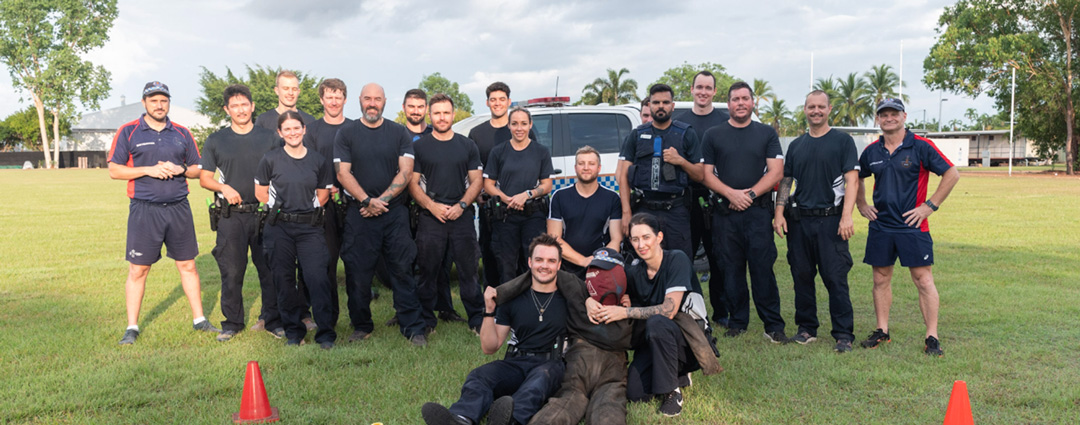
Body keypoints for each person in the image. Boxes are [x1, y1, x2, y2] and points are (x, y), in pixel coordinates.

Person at [108, 81, 221, 345]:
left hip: (179, 208)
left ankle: (200, 320)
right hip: (144, 210)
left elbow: (197, 169)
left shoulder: (181, 132)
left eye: (163, 100)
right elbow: (115, 170)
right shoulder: (128, 131)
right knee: (138, 269)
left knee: (188, 265)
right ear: (144, 102)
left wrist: (180, 169)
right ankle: (132, 327)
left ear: (168, 103)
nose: (159, 105)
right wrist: (147, 170)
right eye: (153, 100)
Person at [421, 234, 569, 425]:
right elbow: (490, 347)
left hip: (551, 365)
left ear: (558, 265)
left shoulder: (569, 298)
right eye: (539, 259)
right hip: (517, 362)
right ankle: (461, 419)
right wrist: (489, 311)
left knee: (538, 380)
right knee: (479, 376)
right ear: (530, 262)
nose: (544, 265)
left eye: (551, 261)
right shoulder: (513, 297)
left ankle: (508, 420)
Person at [856, 98, 959, 357]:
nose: (889, 118)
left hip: (913, 226)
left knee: (923, 280)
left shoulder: (921, 146)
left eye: (894, 114)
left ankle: (932, 336)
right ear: (878, 119)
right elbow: (857, 177)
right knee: (880, 278)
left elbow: (951, 173)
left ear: (903, 116)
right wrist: (861, 204)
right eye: (883, 115)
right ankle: (882, 330)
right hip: (881, 226)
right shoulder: (871, 151)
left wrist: (929, 206)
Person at [590, 213, 721, 418]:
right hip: (657, 342)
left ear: (659, 237)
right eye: (635, 239)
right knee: (635, 392)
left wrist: (625, 311)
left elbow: (669, 310)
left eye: (646, 237)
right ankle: (679, 377)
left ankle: (672, 392)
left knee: (658, 321)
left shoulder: (677, 259)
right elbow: (603, 286)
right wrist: (595, 301)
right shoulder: (634, 271)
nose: (641, 244)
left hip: (689, 342)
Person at [497, 246, 634, 425]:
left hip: (611, 371)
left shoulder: (629, 308)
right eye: (594, 271)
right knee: (567, 401)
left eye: (605, 272)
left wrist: (629, 310)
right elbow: (536, 275)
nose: (598, 278)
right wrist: (500, 292)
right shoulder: (577, 290)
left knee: (608, 407)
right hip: (579, 362)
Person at [334, 83, 428, 346]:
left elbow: (406, 171)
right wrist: (366, 200)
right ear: (360, 101)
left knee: (402, 270)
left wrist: (382, 200)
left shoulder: (399, 133)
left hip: (394, 213)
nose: (372, 103)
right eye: (367, 98)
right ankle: (361, 325)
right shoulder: (347, 133)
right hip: (360, 213)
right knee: (358, 273)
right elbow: (343, 173)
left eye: (377, 98)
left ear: (385, 101)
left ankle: (413, 326)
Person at [701, 81, 788, 343]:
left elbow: (777, 171)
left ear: (752, 103)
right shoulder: (713, 135)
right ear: (728, 104)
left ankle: (773, 324)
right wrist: (731, 194)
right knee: (731, 269)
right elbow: (706, 175)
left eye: (745, 99)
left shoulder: (766, 134)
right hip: (725, 213)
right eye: (735, 99)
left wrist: (748, 195)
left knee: (762, 268)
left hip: (758, 213)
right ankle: (738, 321)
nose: (740, 103)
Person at [772, 90, 858, 353]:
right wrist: (778, 212)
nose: (816, 111)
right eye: (811, 107)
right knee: (802, 276)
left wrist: (846, 217)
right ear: (805, 109)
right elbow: (786, 181)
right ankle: (806, 328)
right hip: (799, 223)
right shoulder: (797, 145)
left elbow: (851, 180)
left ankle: (843, 334)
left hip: (831, 222)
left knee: (835, 278)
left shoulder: (842, 141)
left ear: (829, 109)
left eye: (821, 106)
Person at [198, 83, 281, 341]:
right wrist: (223, 187)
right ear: (227, 109)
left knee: (269, 269)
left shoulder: (270, 138)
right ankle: (232, 323)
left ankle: (273, 320)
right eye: (234, 106)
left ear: (252, 106)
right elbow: (204, 178)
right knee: (232, 271)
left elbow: (281, 169)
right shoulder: (216, 140)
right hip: (231, 216)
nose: (241, 110)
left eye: (245, 104)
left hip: (265, 214)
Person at [254, 111, 337, 348]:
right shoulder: (270, 159)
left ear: (304, 130)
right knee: (284, 280)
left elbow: (323, 195)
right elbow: (260, 192)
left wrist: (304, 208)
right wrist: (279, 208)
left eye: (296, 128)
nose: (292, 133)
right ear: (280, 133)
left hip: (310, 228)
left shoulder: (318, 161)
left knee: (317, 279)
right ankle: (294, 332)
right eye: (287, 129)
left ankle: (326, 334)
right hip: (278, 228)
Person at [409, 94, 486, 334]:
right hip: (431, 218)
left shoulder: (467, 145)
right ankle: (426, 321)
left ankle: (477, 320)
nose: (442, 117)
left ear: (453, 115)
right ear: (430, 115)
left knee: (468, 271)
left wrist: (461, 206)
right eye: (437, 113)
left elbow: (476, 181)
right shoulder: (419, 146)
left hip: (461, 217)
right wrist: (431, 206)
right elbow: (412, 183)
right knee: (428, 272)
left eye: (446, 113)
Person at [673, 71, 732, 328]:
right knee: (684, 258)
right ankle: (688, 308)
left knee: (719, 258)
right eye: (699, 87)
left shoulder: (725, 121)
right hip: (687, 200)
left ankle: (721, 313)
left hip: (718, 200)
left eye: (708, 88)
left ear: (715, 91)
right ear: (692, 89)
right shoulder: (680, 122)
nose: (703, 92)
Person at [616, 83, 703, 258]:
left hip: (676, 210)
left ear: (673, 105)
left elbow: (700, 175)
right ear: (650, 106)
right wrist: (626, 213)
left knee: (680, 261)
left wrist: (680, 161)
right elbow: (623, 176)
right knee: (644, 263)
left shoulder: (686, 133)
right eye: (656, 102)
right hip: (644, 208)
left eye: (665, 102)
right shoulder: (637, 135)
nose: (660, 106)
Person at [468, 82, 537, 288]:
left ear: (508, 101)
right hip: (491, 205)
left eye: (501, 99)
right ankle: (493, 305)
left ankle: (522, 301)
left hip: (522, 208)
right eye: (493, 99)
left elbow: (533, 161)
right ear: (487, 102)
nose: (497, 103)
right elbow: (473, 168)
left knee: (521, 259)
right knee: (490, 254)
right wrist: (479, 192)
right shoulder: (477, 133)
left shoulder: (520, 129)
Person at [483, 107, 555, 283]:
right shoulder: (498, 151)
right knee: (506, 266)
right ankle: (508, 307)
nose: (519, 128)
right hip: (506, 217)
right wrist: (507, 199)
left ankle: (533, 304)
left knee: (534, 262)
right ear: (508, 126)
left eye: (524, 123)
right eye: (514, 123)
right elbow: (488, 184)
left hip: (533, 216)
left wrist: (527, 195)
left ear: (530, 125)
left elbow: (547, 185)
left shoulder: (541, 151)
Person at [302, 78, 350, 306]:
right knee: (327, 259)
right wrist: (325, 187)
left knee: (354, 259)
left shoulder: (354, 128)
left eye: (338, 97)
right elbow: (307, 164)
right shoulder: (311, 131)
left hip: (353, 202)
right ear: (321, 99)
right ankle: (329, 312)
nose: (333, 102)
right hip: (323, 204)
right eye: (329, 97)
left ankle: (359, 313)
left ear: (345, 99)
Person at [547, 146, 623, 278]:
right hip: (567, 268)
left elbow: (616, 239)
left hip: (601, 266)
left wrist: (597, 262)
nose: (586, 167)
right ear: (575, 168)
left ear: (599, 168)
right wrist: (583, 261)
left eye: (591, 164)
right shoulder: (559, 196)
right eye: (581, 163)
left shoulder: (612, 198)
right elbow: (554, 238)